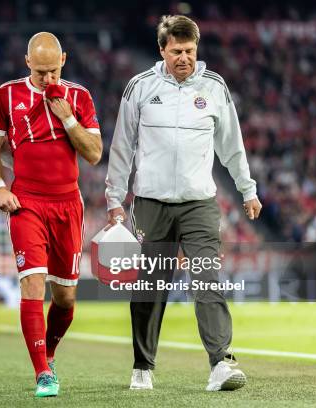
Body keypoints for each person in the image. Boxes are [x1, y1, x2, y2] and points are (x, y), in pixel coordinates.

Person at [105, 15, 262, 392]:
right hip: (150, 204)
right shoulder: (139, 87)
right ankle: (143, 365)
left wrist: (248, 189)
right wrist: (114, 198)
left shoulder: (214, 87)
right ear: (162, 50)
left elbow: (231, 145)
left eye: (189, 51)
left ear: (197, 49)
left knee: (207, 279)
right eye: (176, 51)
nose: (184, 58)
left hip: (199, 204)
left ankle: (221, 362)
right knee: (150, 287)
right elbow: (122, 147)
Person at [0, 32, 102, 398]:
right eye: (40, 72)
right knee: (32, 285)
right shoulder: (6, 96)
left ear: (64, 60)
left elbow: (95, 153)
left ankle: (48, 353)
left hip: (68, 205)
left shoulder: (78, 97)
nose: (48, 79)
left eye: (53, 71)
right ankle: (42, 374)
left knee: (66, 298)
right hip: (27, 203)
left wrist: (67, 118)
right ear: (27, 63)